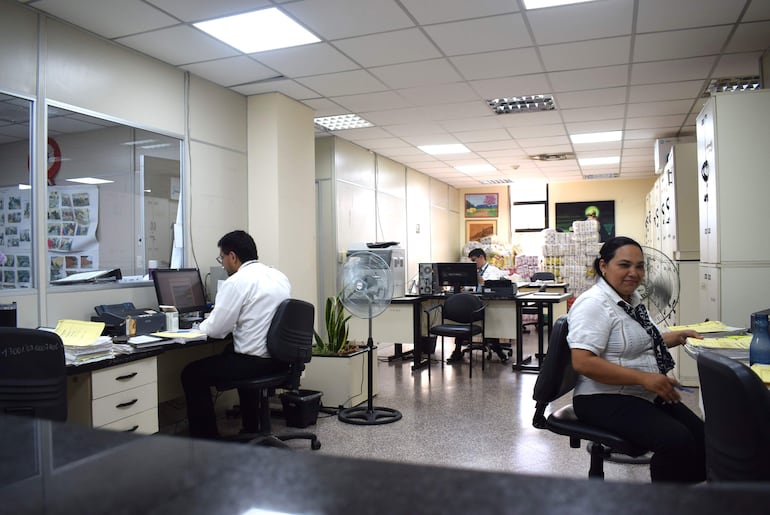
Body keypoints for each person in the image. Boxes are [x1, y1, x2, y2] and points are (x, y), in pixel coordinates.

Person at [567, 236, 706, 483]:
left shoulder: (630, 300)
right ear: (603, 266)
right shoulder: (593, 304)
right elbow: (583, 362)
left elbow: (645, 338)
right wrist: (644, 378)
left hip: (638, 393)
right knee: (675, 441)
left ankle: (689, 500)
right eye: (624, 265)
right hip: (602, 398)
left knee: (703, 436)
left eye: (639, 266)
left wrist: (679, 336)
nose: (634, 272)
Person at [181, 230, 291, 439]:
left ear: (232, 256)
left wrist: (196, 327)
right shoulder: (278, 276)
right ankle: (251, 427)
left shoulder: (237, 282)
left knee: (191, 374)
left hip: (254, 362)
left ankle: (207, 440)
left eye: (222, 257)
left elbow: (216, 329)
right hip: (280, 360)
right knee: (230, 351)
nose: (222, 263)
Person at [446, 248, 508, 364]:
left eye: (474, 260)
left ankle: (498, 349)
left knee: (490, 323)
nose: (473, 264)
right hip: (472, 303)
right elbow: (471, 289)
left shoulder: (493, 271)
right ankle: (457, 351)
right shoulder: (473, 271)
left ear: (481, 257)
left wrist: (480, 280)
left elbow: (492, 287)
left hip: (487, 304)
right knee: (461, 317)